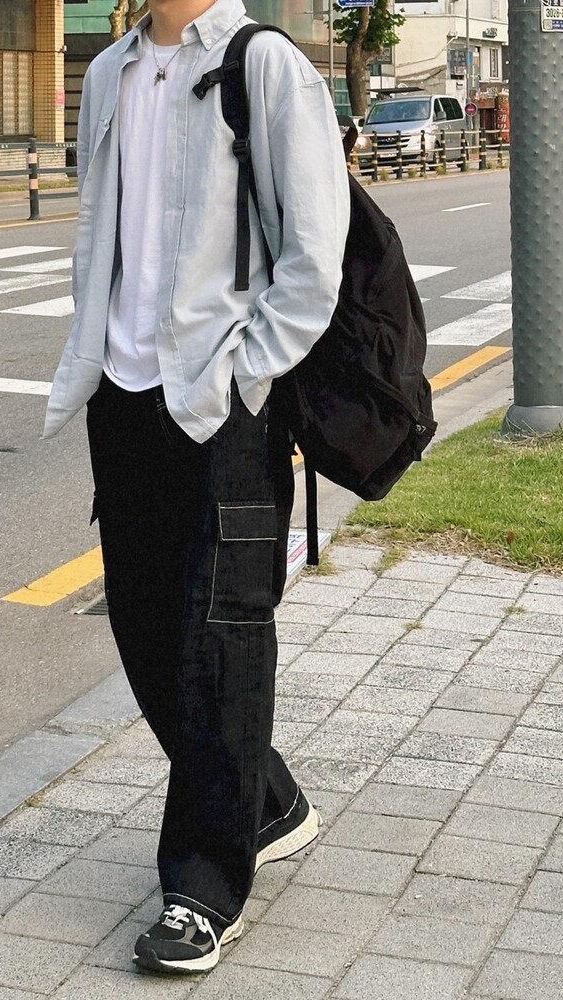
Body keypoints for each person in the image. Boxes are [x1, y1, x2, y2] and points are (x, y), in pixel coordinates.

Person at [42, 0, 349, 975]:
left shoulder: (265, 67)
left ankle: (204, 887)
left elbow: (314, 257)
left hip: (222, 402)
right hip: (123, 398)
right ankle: (267, 800)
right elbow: (103, 236)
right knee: (143, 628)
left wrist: (245, 374)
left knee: (220, 636)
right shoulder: (108, 74)